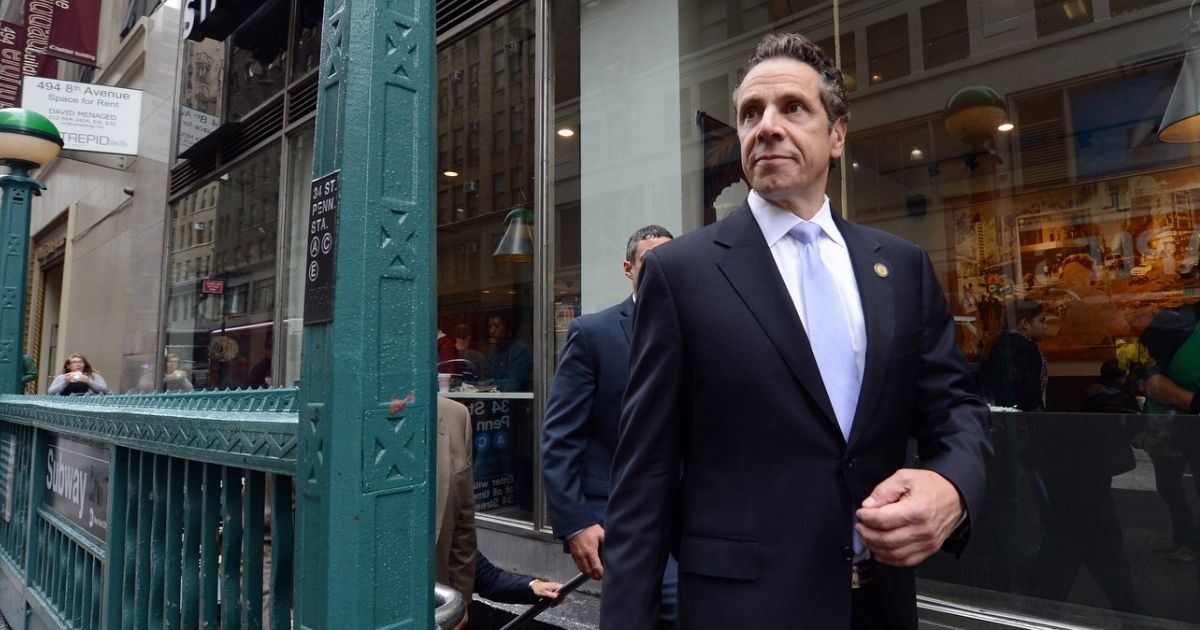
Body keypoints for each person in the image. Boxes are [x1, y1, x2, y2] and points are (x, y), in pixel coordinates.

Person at [600, 33, 992, 629]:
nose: (767, 127)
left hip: (880, 606)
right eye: (750, 114)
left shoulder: (900, 266)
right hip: (743, 611)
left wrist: (952, 487)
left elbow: (956, 408)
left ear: (837, 134)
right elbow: (645, 475)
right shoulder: (682, 274)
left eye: (793, 107)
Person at [541, 225, 676, 626]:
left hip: (691, 516)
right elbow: (560, 437)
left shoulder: (696, 327)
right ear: (628, 268)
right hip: (617, 517)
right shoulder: (593, 333)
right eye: (651, 261)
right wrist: (575, 521)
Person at [978, 300, 1048, 410]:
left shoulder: (998, 344)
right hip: (1023, 419)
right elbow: (1029, 394)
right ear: (1025, 323)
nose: (1045, 326)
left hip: (997, 415)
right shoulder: (1026, 350)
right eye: (1041, 321)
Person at [482, 313, 532, 392]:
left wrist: (487, 384)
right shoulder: (494, 352)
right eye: (490, 327)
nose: (492, 331)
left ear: (509, 328)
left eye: (497, 326)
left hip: (514, 401)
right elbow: (485, 379)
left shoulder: (519, 350)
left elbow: (513, 384)